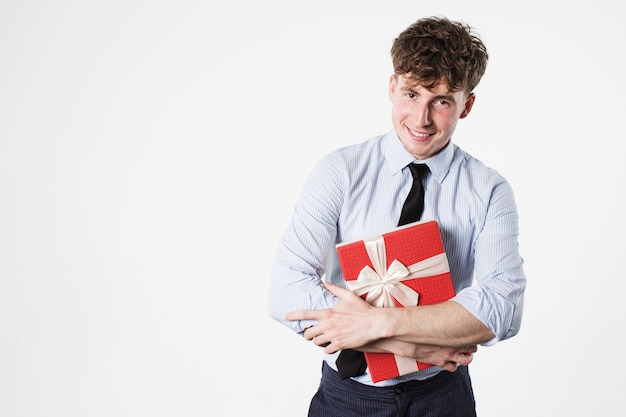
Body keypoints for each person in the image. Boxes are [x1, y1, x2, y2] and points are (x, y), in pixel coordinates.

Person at [267, 16, 526, 417]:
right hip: (347, 397)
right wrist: (408, 346)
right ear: (392, 88)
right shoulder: (341, 171)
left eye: (441, 101)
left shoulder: (489, 191)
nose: (421, 118)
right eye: (411, 94)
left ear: (467, 105)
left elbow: (501, 308)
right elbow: (286, 289)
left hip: (442, 398)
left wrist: (374, 325)